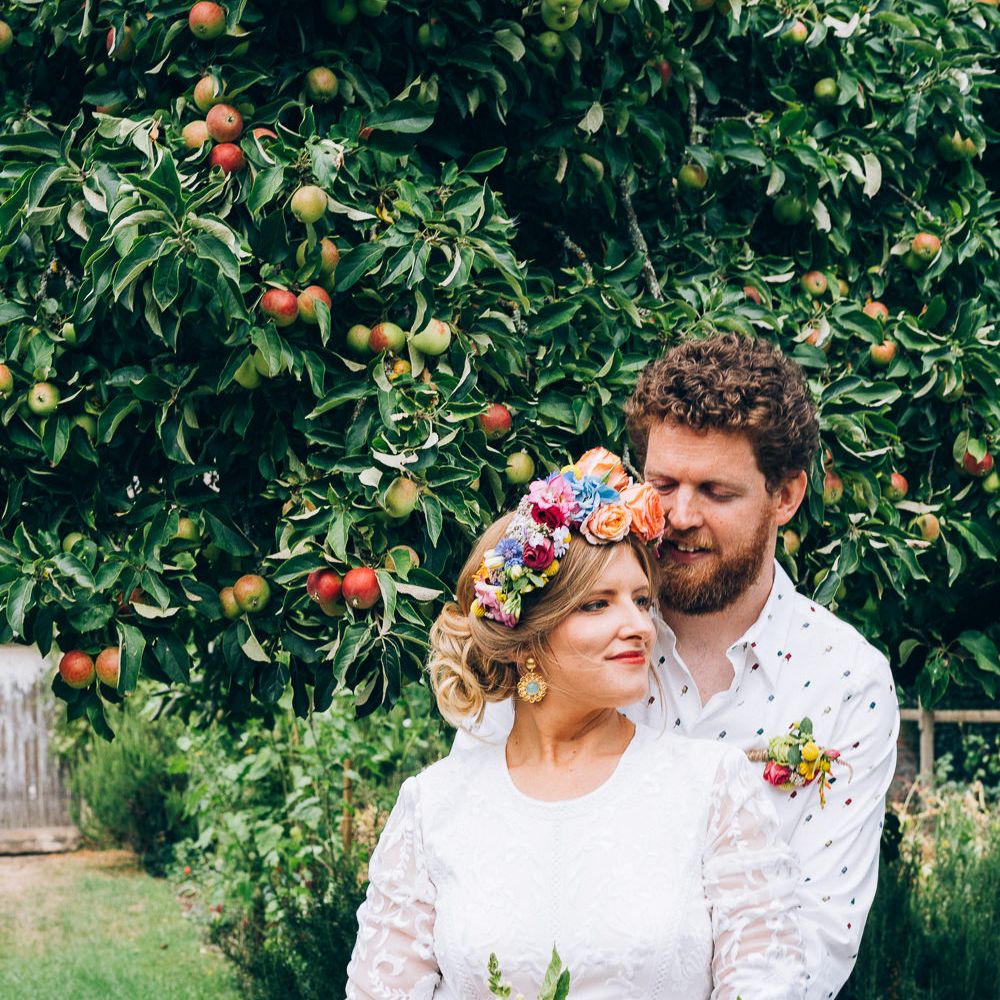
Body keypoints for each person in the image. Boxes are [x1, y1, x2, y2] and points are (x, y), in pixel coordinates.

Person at [455, 333, 900, 1000]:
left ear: (786, 496)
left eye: (716, 492)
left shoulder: (846, 683)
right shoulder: (561, 634)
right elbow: (468, 861)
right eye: (664, 485)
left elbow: (813, 944)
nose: (681, 517)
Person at [346, 452, 807, 999]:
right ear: (524, 637)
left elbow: (766, 983)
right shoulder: (434, 808)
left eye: (641, 601)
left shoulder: (712, 789)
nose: (638, 625)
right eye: (596, 605)